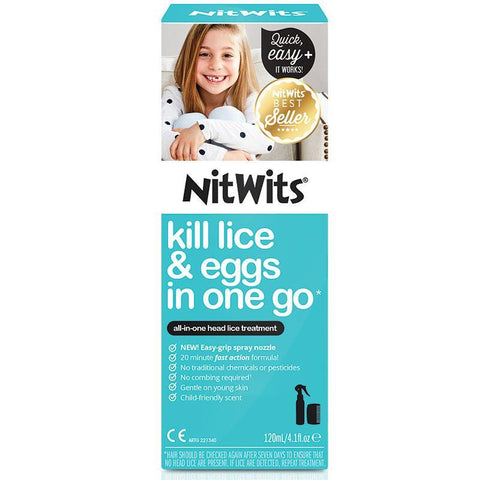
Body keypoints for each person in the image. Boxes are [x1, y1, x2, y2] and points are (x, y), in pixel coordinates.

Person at [162, 24, 274, 161]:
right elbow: (160, 140)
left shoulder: (250, 98)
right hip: (194, 173)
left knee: (228, 114)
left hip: (237, 174)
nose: (215, 65)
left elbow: (266, 141)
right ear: (190, 58)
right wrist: (223, 158)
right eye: (204, 54)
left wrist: (205, 129)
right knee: (188, 121)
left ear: (241, 62)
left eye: (227, 55)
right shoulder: (175, 95)